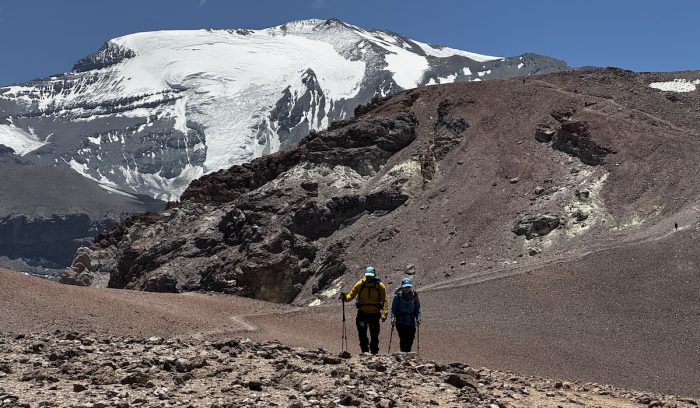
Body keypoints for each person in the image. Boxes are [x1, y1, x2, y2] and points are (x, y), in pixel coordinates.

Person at [339, 266, 388, 354]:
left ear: (374, 275)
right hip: (362, 313)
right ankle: (365, 352)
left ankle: (374, 353)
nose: (369, 278)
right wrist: (345, 298)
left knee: (374, 335)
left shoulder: (380, 285)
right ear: (365, 275)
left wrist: (384, 313)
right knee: (362, 334)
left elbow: (385, 300)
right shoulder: (360, 284)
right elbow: (351, 295)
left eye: (371, 276)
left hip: (375, 314)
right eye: (368, 276)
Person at [390, 277, 421, 352]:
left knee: (410, 338)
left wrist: (418, 318)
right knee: (403, 338)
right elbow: (393, 308)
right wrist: (392, 318)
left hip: (411, 322)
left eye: (408, 287)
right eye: (405, 287)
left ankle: (407, 353)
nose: (407, 288)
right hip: (400, 321)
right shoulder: (398, 296)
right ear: (402, 287)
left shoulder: (414, 295)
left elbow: (417, 308)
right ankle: (404, 354)